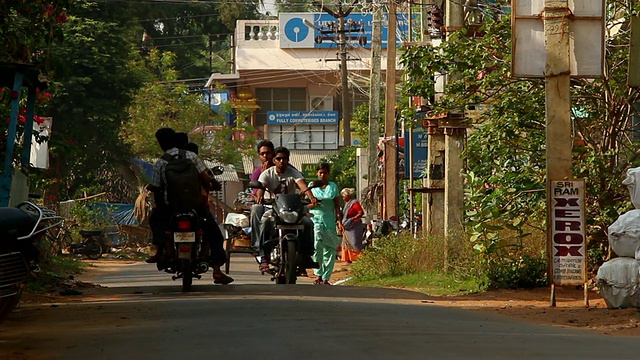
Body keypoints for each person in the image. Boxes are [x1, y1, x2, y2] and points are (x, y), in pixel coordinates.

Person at [147, 127, 233, 285]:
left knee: (154, 220)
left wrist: (161, 207)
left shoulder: (161, 162)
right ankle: (217, 270)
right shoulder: (191, 156)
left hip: (171, 207)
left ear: (160, 143)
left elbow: (157, 189)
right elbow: (206, 178)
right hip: (195, 205)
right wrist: (213, 185)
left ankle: (165, 248)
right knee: (214, 233)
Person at [254, 146, 318, 273]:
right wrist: (260, 197)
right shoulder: (266, 174)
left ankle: (307, 255)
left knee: (308, 223)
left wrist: (311, 196)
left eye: (284, 158)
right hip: (272, 208)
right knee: (265, 222)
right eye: (278, 158)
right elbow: (261, 188)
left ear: (288, 160)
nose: (281, 161)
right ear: (274, 160)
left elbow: (302, 185)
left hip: (293, 209)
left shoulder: (293, 172)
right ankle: (263, 256)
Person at [307, 163, 341, 285]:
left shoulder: (333, 186)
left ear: (328, 173)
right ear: (317, 173)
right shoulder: (312, 186)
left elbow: (337, 205)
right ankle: (318, 274)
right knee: (317, 247)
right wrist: (314, 203)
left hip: (329, 221)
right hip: (315, 220)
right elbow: (307, 204)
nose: (322, 175)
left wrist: (339, 221)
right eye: (320, 172)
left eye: (325, 172)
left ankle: (326, 277)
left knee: (330, 249)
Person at [338, 188, 364, 263]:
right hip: (347, 226)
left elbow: (361, 213)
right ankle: (348, 259)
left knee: (354, 242)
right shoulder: (346, 203)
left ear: (348, 195)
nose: (343, 198)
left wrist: (353, 219)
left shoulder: (354, 203)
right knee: (346, 243)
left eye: (344, 196)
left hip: (354, 225)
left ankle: (359, 259)